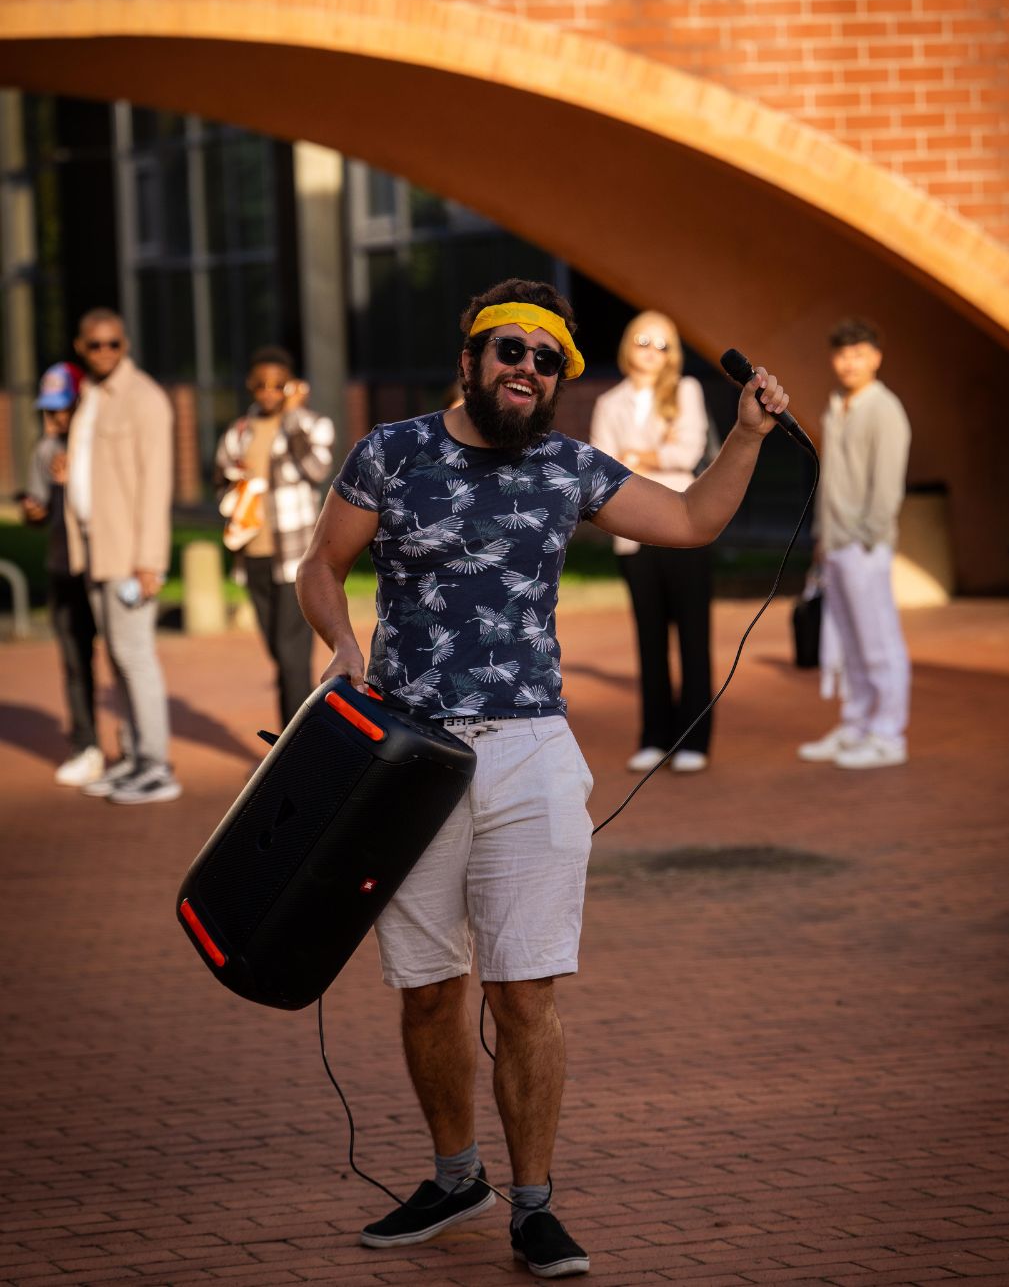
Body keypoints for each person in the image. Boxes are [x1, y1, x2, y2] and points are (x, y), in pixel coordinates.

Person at [296, 277, 791, 1279]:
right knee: (428, 990)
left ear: (559, 379)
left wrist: (746, 435)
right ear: (471, 360)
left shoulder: (568, 466)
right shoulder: (390, 453)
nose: (527, 366)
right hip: (409, 757)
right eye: (509, 348)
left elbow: (691, 520)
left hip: (530, 751)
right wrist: (342, 643)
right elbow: (319, 565)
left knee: (525, 994)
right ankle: (455, 1177)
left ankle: (534, 1206)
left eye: (547, 358)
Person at [64, 307, 180, 804]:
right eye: (95, 344)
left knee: (135, 656)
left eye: (113, 343)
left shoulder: (145, 398)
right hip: (94, 547)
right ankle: (133, 758)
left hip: (131, 555)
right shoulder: (89, 395)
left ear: (125, 345)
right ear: (81, 347)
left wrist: (149, 559)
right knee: (117, 657)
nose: (105, 352)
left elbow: (156, 485)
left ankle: (157, 766)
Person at [589, 311, 713, 773]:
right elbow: (602, 467)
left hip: (683, 526)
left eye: (662, 344)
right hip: (633, 534)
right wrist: (654, 456)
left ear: (672, 353)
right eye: (643, 340)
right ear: (628, 345)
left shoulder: (687, 391)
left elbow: (689, 451)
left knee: (694, 637)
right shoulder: (608, 402)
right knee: (649, 639)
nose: (651, 351)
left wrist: (636, 456)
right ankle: (655, 737)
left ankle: (695, 739)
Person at [798, 317, 911, 770]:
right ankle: (856, 725)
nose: (850, 363)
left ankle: (888, 735)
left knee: (879, 641)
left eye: (859, 354)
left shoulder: (884, 409)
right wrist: (823, 536)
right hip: (836, 544)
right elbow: (830, 480)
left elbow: (887, 485)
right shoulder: (837, 406)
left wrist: (866, 538)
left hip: (865, 545)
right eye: (843, 355)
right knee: (849, 640)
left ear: (876, 358)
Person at [214, 347, 335, 728]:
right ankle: (301, 736)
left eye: (277, 385)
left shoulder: (312, 425)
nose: (268, 392)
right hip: (253, 553)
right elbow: (220, 480)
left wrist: (293, 417)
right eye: (260, 384)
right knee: (278, 652)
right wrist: (234, 486)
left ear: (292, 386)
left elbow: (316, 469)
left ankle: (297, 742)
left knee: (291, 653)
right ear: (250, 385)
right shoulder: (239, 431)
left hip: (296, 556)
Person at [20, 362, 102, 786]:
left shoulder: (98, 444)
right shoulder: (45, 449)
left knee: (122, 660)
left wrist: (75, 482)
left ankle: (135, 749)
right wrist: (33, 510)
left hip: (101, 566)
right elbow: (36, 512)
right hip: (62, 567)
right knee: (74, 662)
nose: (54, 417)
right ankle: (86, 745)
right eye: (48, 409)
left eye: (62, 407)